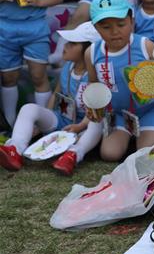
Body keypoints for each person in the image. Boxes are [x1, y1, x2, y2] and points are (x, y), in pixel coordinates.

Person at [0, 22, 103, 175]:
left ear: (88, 50)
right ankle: (15, 149)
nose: (65, 46)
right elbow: (56, 93)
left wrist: (79, 127)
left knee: (98, 122)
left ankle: (73, 155)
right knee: (29, 108)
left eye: (72, 43)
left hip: (84, 126)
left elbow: (98, 110)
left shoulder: (96, 74)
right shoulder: (68, 67)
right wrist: (44, 119)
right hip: (63, 121)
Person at [85, 0, 154, 161]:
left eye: (121, 24)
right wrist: (93, 107)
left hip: (149, 111)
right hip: (118, 114)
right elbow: (93, 85)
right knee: (109, 154)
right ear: (95, 28)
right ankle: (129, 139)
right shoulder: (92, 53)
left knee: (146, 154)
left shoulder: (146, 46)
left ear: (132, 21)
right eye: (106, 27)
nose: (115, 32)